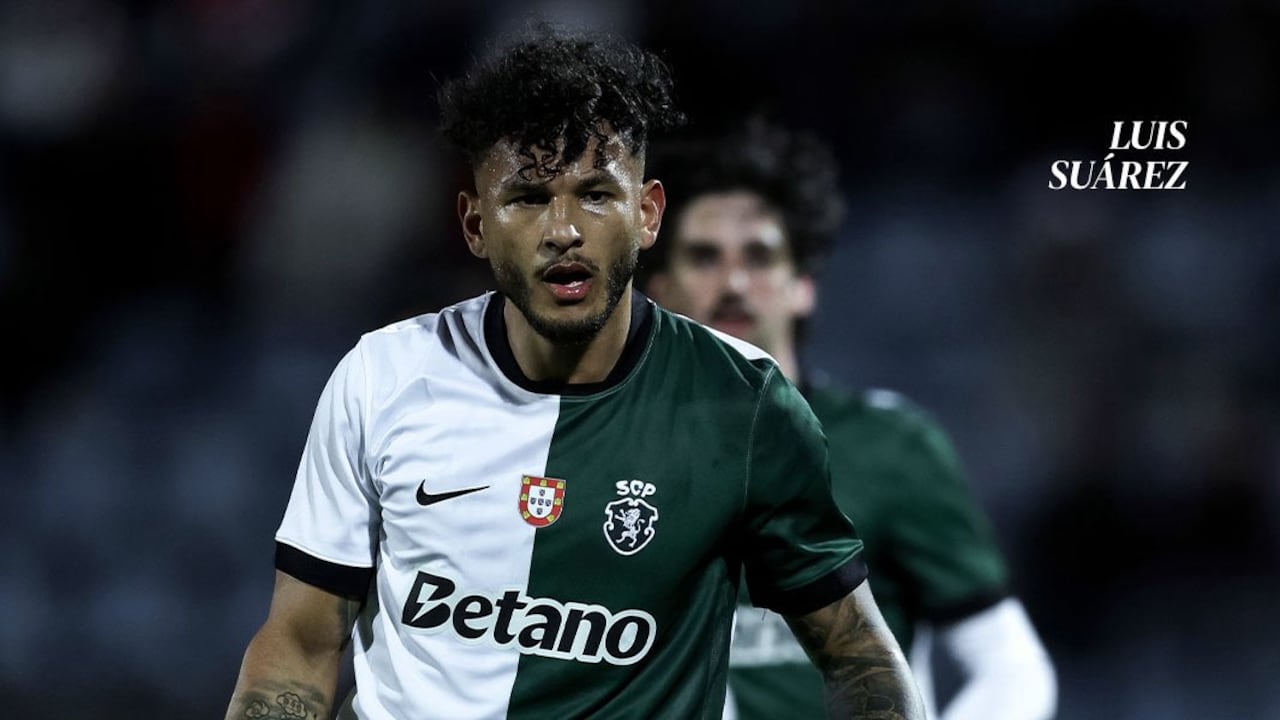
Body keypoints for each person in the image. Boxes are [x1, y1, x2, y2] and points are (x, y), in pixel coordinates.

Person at [225, 27, 925, 720]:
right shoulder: (383, 376)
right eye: (528, 198)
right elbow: (301, 643)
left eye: (595, 193)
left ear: (647, 214)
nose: (563, 229)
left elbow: (859, 659)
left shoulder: (744, 404)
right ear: (474, 224)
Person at [644, 120, 1057, 720]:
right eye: (704, 258)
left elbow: (1010, 666)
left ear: (802, 285)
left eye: (759, 256)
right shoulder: (612, 450)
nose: (733, 283)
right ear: (659, 286)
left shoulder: (890, 446)